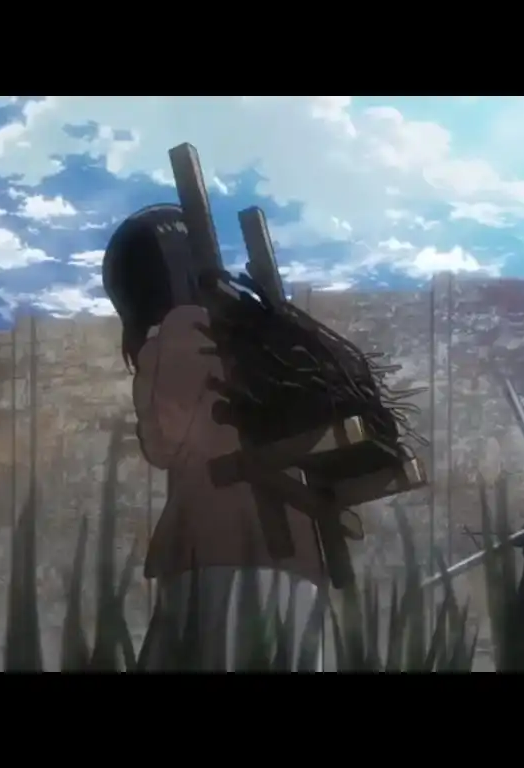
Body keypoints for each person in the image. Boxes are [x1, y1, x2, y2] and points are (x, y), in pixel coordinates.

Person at [102, 205, 327, 671]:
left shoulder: (181, 330)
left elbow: (162, 442)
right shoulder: (263, 329)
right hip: (299, 559)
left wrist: (149, 369)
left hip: (218, 552)